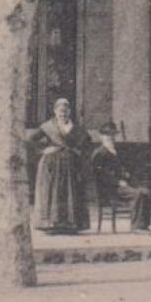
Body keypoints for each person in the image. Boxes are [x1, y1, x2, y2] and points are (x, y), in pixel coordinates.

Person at [27, 97, 92, 235]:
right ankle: (51, 225)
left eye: (66, 111)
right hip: (51, 164)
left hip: (71, 165)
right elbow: (31, 140)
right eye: (60, 111)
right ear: (55, 111)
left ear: (69, 112)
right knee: (53, 193)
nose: (63, 114)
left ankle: (70, 225)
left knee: (70, 193)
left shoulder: (75, 127)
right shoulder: (48, 126)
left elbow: (87, 143)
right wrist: (43, 150)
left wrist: (78, 153)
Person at [88, 122, 151, 233]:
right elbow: (101, 175)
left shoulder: (115, 151)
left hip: (120, 186)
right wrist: (118, 182)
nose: (110, 138)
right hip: (109, 189)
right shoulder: (99, 153)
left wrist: (125, 175)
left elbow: (119, 169)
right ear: (101, 137)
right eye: (107, 135)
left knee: (146, 191)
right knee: (138, 194)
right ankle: (137, 227)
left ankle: (144, 225)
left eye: (113, 135)